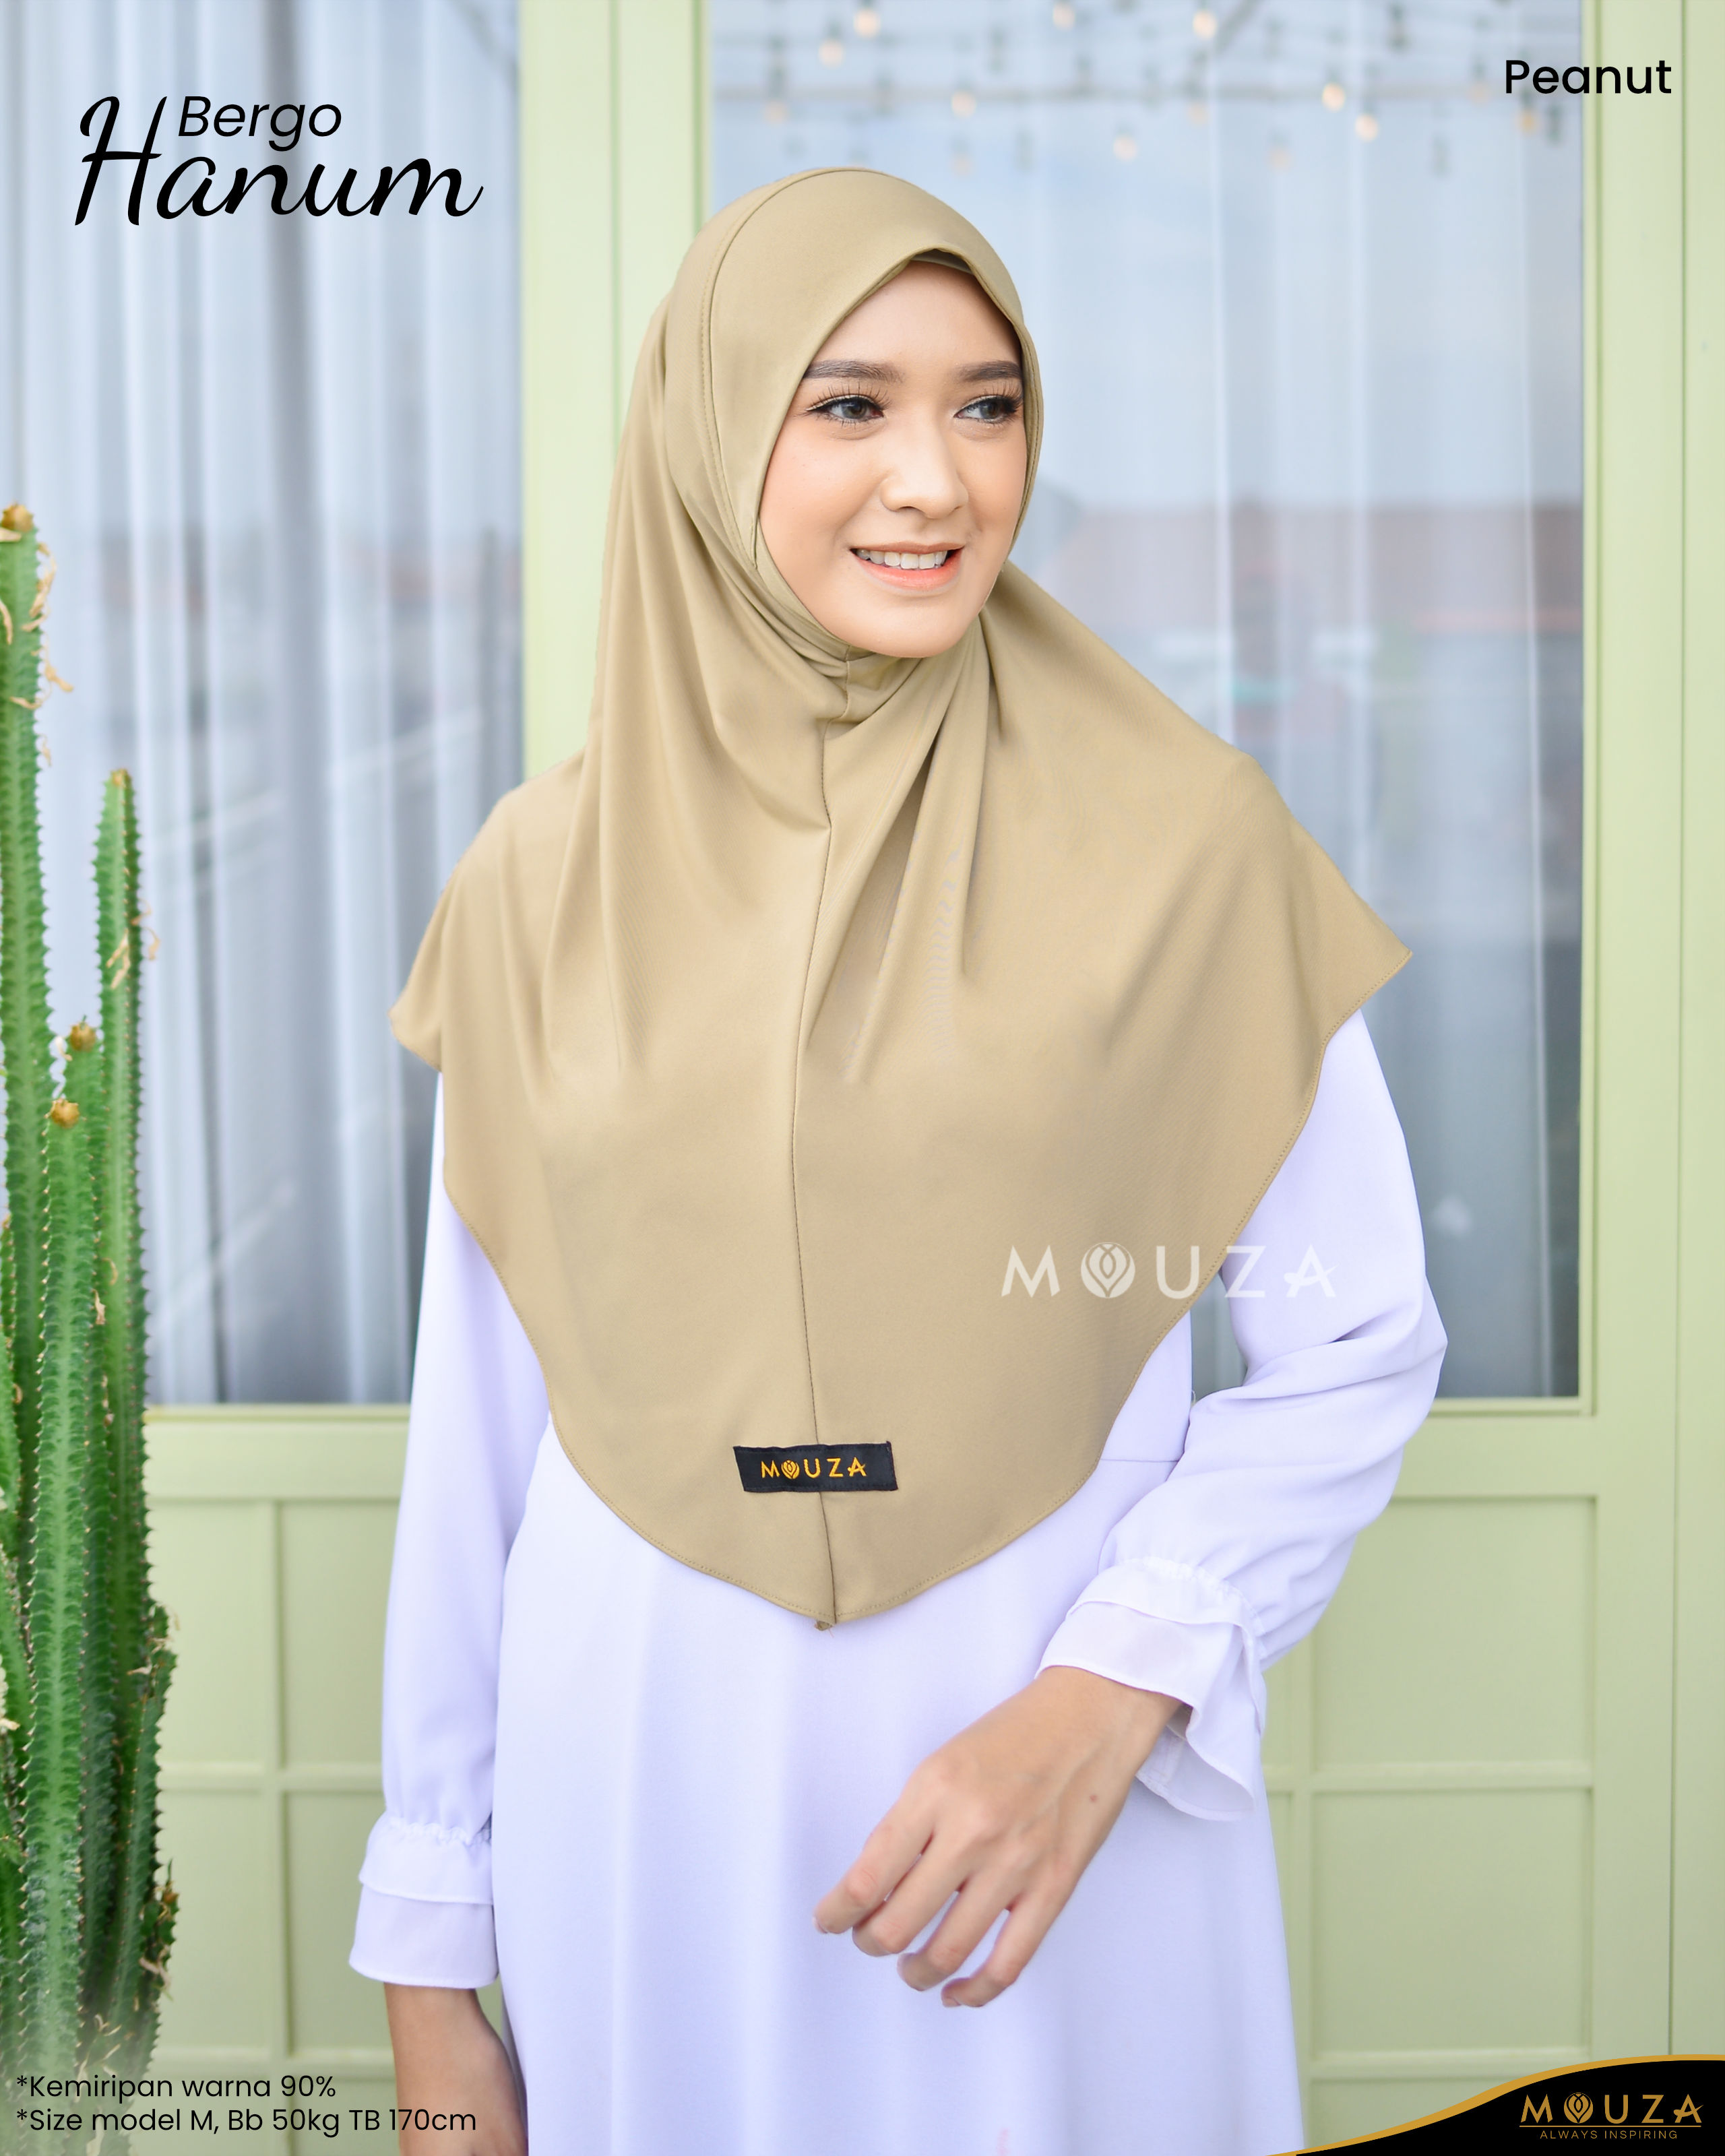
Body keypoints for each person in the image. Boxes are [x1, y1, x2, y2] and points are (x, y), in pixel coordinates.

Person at [350, 168, 1446, 2156]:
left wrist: (1109, 1699)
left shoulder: (1185, 846)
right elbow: (482, 1434)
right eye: (848, 403)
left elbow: (1354, 1335)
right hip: (644, 1797)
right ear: (710, 434)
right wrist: (433, 1969)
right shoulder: (539, 882)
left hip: (1056, 1802)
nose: (936, 479)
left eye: (987, 405)